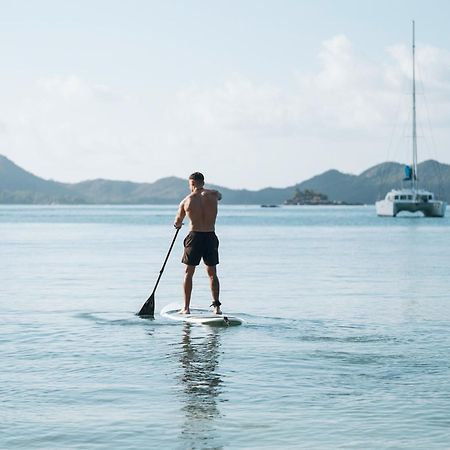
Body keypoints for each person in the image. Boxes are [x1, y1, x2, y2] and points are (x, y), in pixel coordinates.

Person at [174, 172, 222, 315]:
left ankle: (186, 308)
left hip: (194, 237)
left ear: (193, 183)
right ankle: (217, 307)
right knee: (212, 273)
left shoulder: (186, 201)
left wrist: (177, 224)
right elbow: (220, 196)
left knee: (189, 272)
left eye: (189, 184)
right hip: (210, 235)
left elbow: (177, 222)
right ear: (203, 182)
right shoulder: (213, 195)